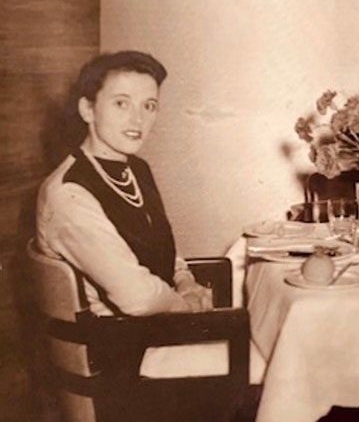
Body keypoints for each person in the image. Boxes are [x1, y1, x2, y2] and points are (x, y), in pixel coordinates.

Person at [36, 50, 263, 382]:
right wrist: (188, 305)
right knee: (277, 364)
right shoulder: (69, 193)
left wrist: (186, 282)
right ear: (88, 109)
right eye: (121, 103)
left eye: (149, 105)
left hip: (154, 334)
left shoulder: (135, 169)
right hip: (123, 358)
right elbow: (138, 299)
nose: (137, 120)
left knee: (272, 341)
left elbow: (164, 249)